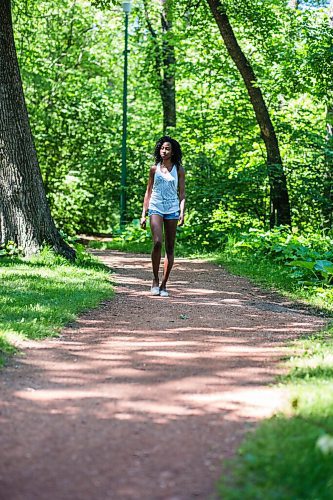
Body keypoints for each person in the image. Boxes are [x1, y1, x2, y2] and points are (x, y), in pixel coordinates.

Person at [140, 136, 186, 297]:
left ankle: (165, 284)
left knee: (170, 247)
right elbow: (148, 191)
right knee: (158, 242)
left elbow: (182, 193)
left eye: (167, 149)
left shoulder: (179, 169)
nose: (164, 151)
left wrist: (182, 212)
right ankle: (154, 280)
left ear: (173, 152)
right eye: (162, 148)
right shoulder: (154, 169)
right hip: (156, 207)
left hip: (172, 209)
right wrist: (143, 214)